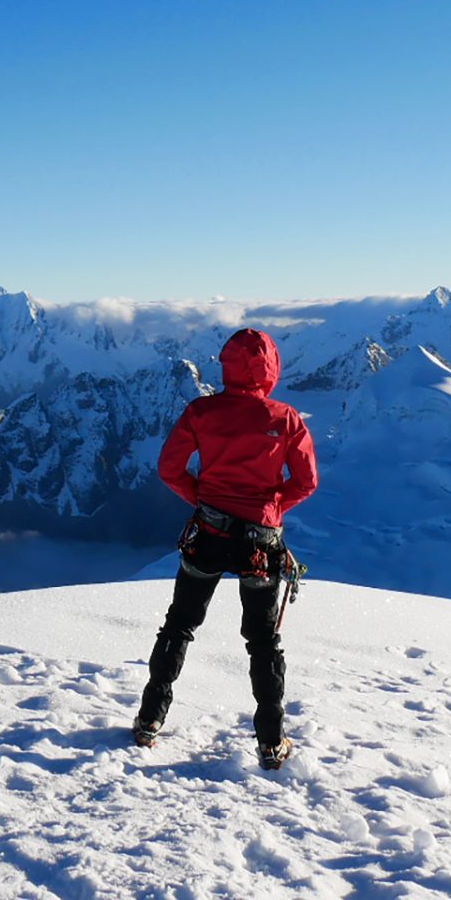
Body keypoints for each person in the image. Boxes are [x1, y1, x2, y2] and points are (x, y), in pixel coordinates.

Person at [134, 327, 318, 769]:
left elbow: (169, 469)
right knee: (263, 642)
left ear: (226, 365)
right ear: (272, 367)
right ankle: (271, 743)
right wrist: (270, 508)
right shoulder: (287, 419)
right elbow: (307, 481)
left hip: (208, 535)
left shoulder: (202, 412)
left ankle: (148, 721)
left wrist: (203, 497)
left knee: (178, 626)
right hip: (262, 545)